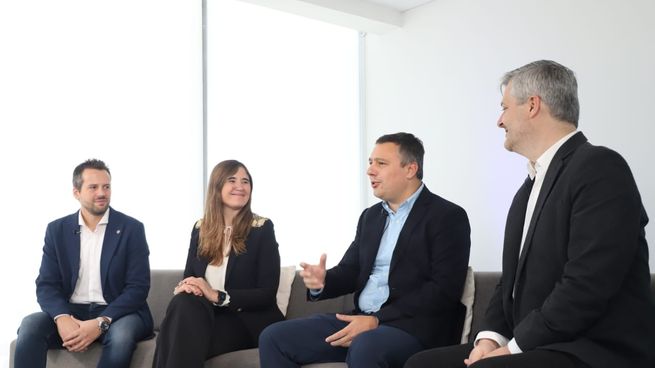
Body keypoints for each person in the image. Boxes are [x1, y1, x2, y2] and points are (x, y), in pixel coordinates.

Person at [405, 60, 655, 368]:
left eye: (505, 107)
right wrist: (489, 339)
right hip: (541, 344)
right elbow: (507, 283)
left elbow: (587, 285)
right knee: (422, 364)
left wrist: (515, 348)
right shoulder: (527, 189)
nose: (499, 120)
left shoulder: (601, 168)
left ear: (533, 105)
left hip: (592, 349)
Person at [259, 132, 471, 368]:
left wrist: (377, 320)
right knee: (274, 337)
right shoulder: (371, 217)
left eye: (381, 163)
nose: (370, 171)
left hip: (413, 328)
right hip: (361, 322)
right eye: (370, 163)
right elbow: (351, 270)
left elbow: (443, 290)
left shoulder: (447, 216)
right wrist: (323, 281)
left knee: (367, 345)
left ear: (410, 169)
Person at [14, 159, 153, 368]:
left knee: (122, 337)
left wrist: (101, 322)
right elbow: (47, 284)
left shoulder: (131, 229)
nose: (102, 193)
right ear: (76, 192)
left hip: (118, 313)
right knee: (30, 326)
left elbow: (138, 287)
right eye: (93, 187)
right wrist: (62, 318)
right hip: (72, 311)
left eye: (106, 187)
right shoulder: (57, 230)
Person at [153, 160, 283, 368]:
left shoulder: (262, 228)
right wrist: (187, 286)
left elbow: (267, 292)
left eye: (245, 181)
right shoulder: (200, 229)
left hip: (244, 321)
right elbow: (189, 276)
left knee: (177, 337)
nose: (240, 186)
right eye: (232, 180)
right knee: (182, 302)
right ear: (217, 186)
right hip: (205, 316)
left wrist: (216, 295)